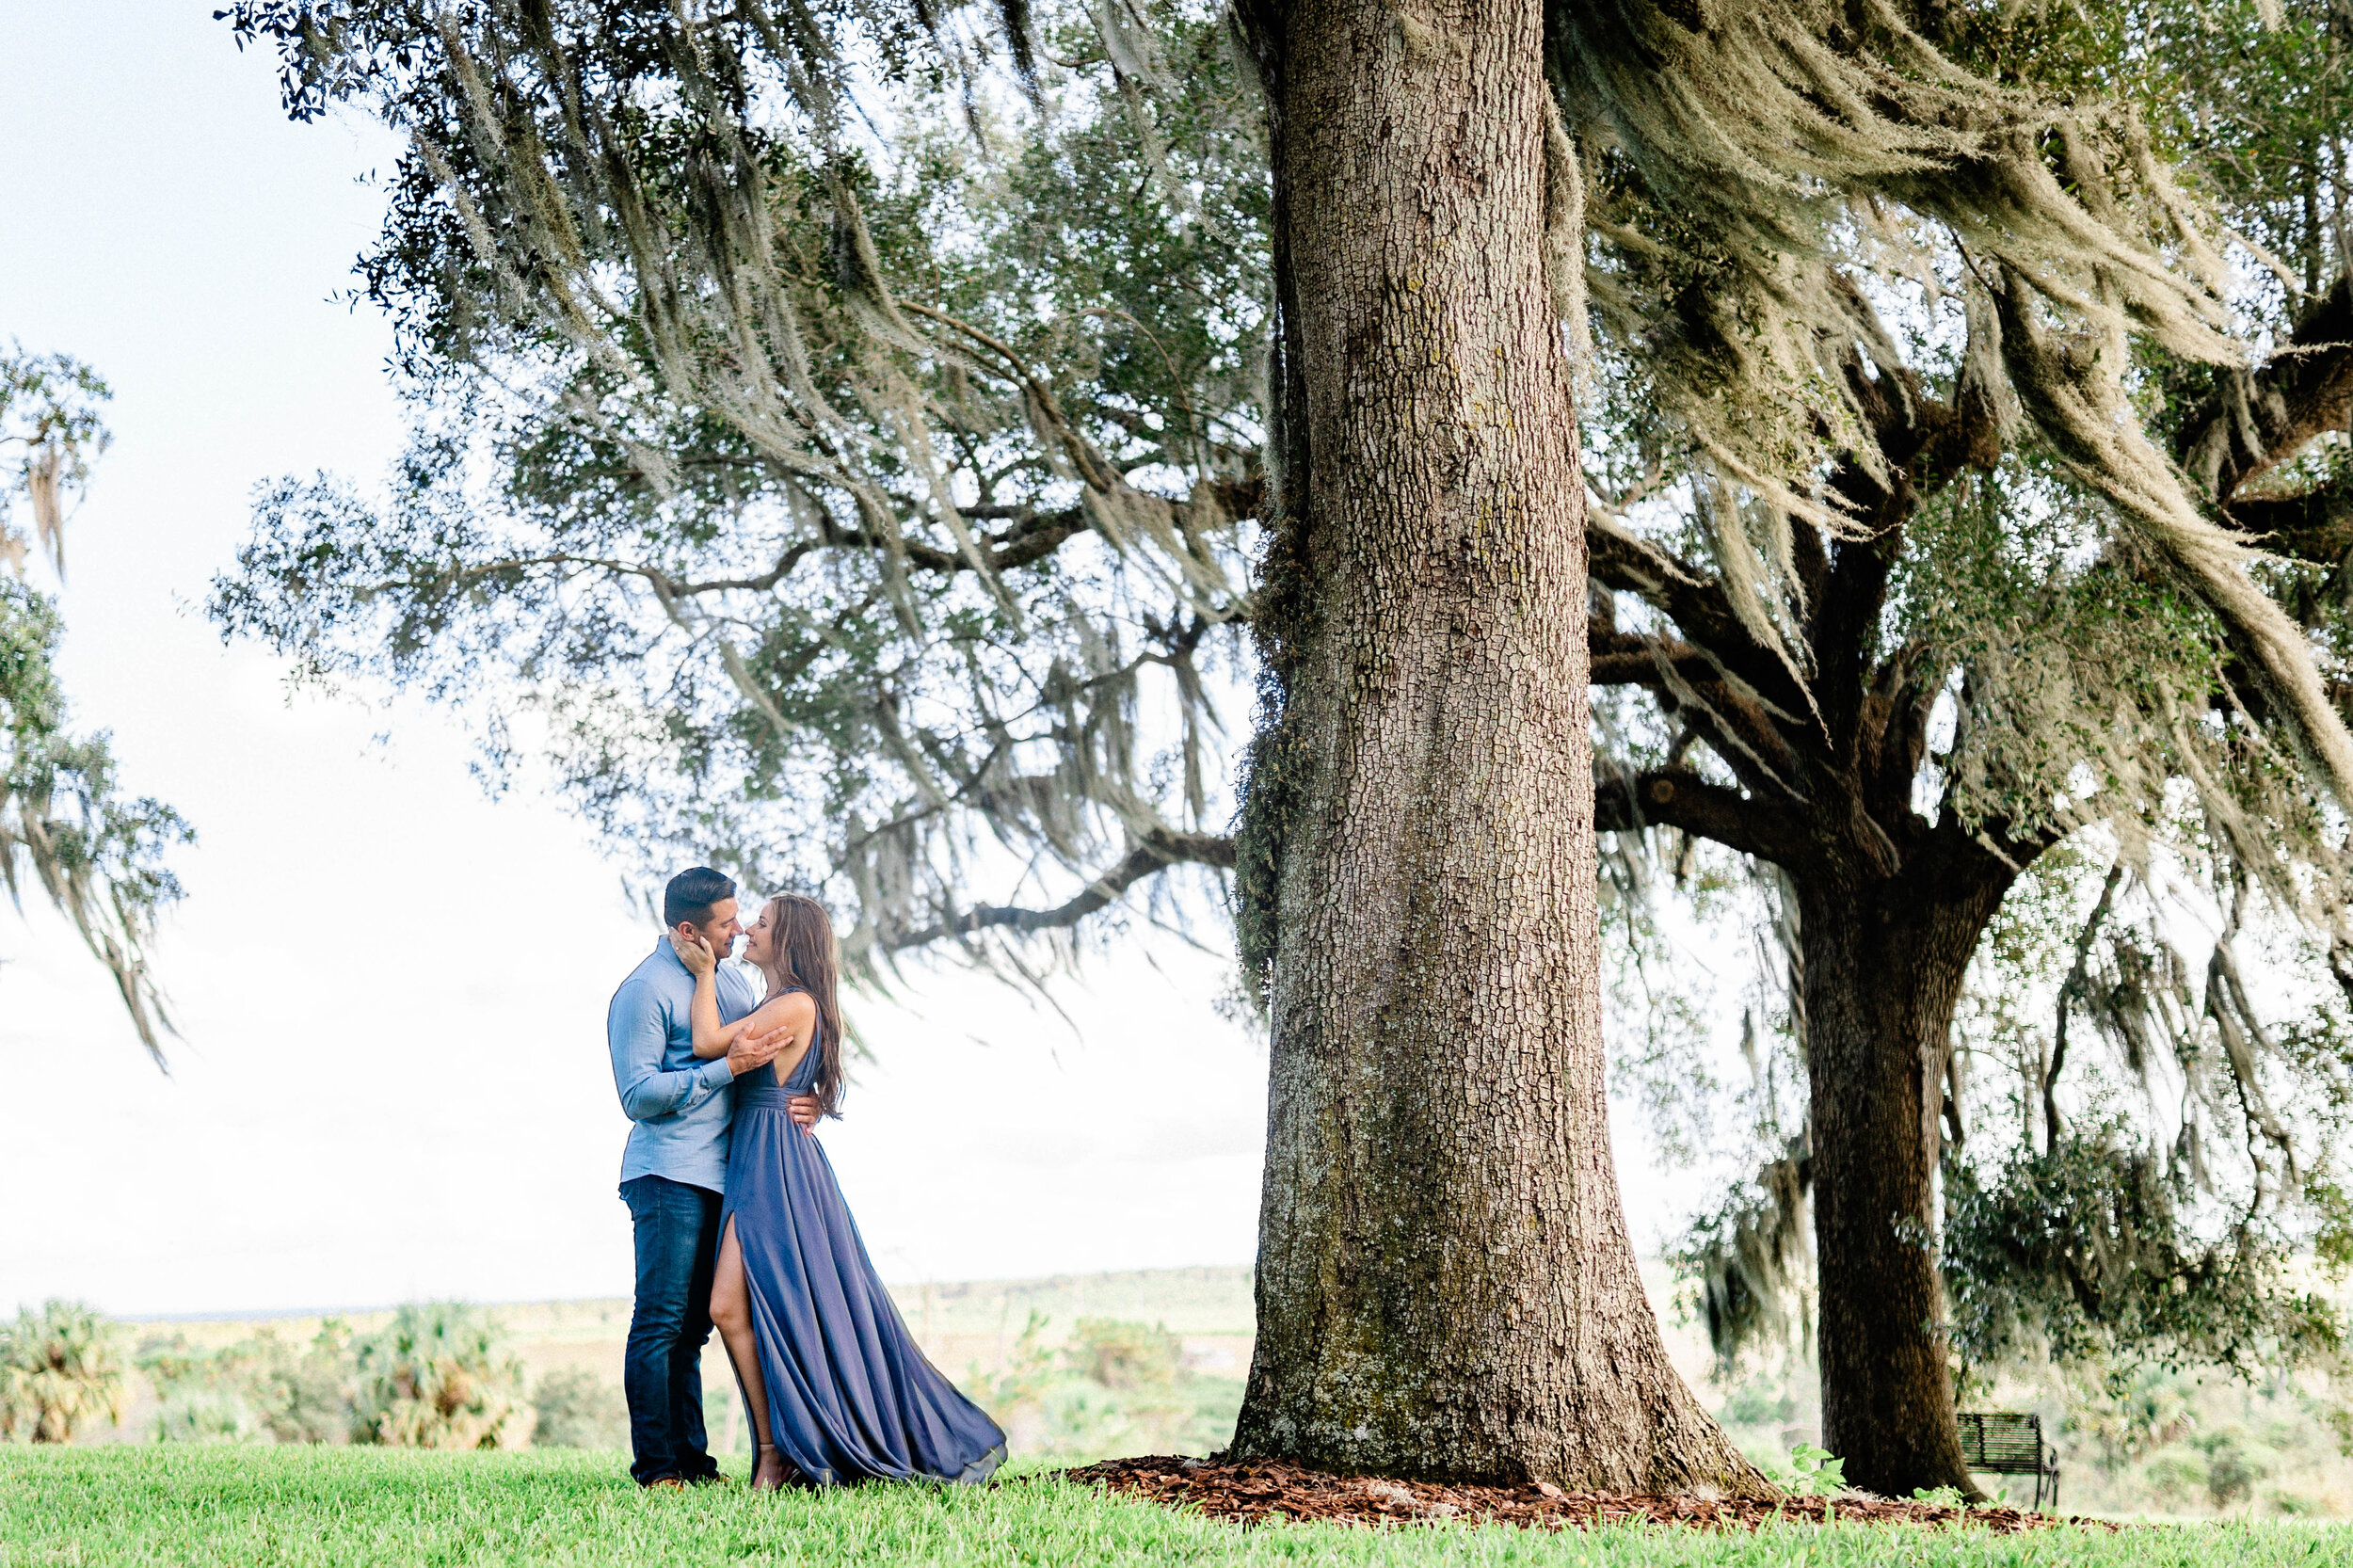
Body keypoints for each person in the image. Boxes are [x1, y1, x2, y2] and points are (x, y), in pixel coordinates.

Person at [673, 892, 1008, 1490]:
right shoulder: (779, 1001)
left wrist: (703, 973)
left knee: (739, 1305)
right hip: (760, 1154)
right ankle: (776, 1449)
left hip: (775, 1165)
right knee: (730, 1306)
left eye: (764, 924)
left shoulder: (794, 1005)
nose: (749, 929)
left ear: (790, 940)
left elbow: (705, 1045)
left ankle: (781, 1451)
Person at [607, 867, 820, 1489]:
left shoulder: (724, 985)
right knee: (661, 1322)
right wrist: (722, 1070)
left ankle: (695, 1464)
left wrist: (807, 1100)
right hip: (668, 1173)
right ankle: (657, 1468)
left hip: (726, 1176)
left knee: (693, 1329)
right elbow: (638, 1095)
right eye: (727, 923)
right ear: (687, 928)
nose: (737, 930)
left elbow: (767, 1064)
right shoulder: (644, 992)